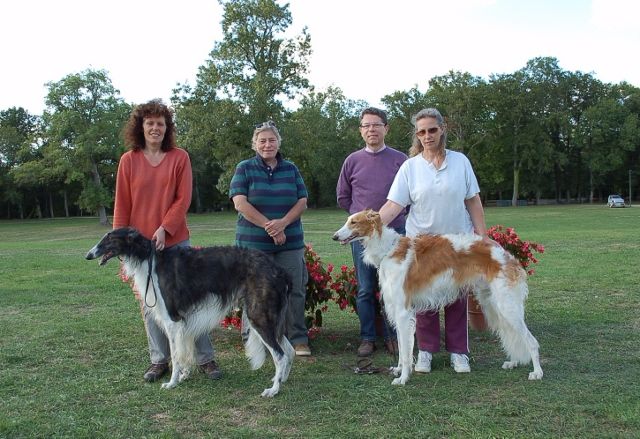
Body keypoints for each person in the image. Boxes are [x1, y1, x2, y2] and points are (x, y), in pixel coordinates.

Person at [113, 99, 221, 382]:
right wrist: (121, 247)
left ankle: (205, 359)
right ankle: (159, 360)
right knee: (150, 304)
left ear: (167, 128)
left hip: (174, 241)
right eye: (150, 123)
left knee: (190, 301)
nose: (155, 128)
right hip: (140, 247)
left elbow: (183, 199)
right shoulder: (129, 160)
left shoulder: (179, 157)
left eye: (160, 123)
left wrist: (165, 228)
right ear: (141, 126)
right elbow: (122, 205)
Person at [378, 108, 490, 374]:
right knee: (422, 300)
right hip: (421, 245)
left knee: (457, 297)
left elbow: (472, 199)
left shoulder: (461, 161)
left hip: (456, 243)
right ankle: (425, 351)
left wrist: (482, 236)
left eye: (432, 130)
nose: (427, 136)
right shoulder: (410, 167)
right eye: (421, 132)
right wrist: (371, 226)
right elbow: (394, 204)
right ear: (417, 135)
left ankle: (459, 352)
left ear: (442, 130)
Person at [229, 121, 311, 356]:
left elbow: (302, 201)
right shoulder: (244, 168)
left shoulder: (291, 169)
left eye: (272, 140)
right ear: (255, 144)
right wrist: (270, 227)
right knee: (254, 291)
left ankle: (298, 339)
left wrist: (283, 224)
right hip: (253, 244)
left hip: (290, 242)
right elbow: (240, 203)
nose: (267, 144)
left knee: (294, 289)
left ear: (279, 143)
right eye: (262, 140)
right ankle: (253, 339)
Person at [337, 107, 407, 357]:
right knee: (366, 288)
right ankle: (368, 337)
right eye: (366, 125)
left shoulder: (400, 160)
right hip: (362, 237)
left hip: (394, 233)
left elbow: (409, 195)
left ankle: (394, 336)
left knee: (394, 286)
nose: (371, 129)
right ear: (361, 130)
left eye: (376, 125)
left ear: (386, 128)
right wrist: (361, 223)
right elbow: (343, 197)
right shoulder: (352, 161)